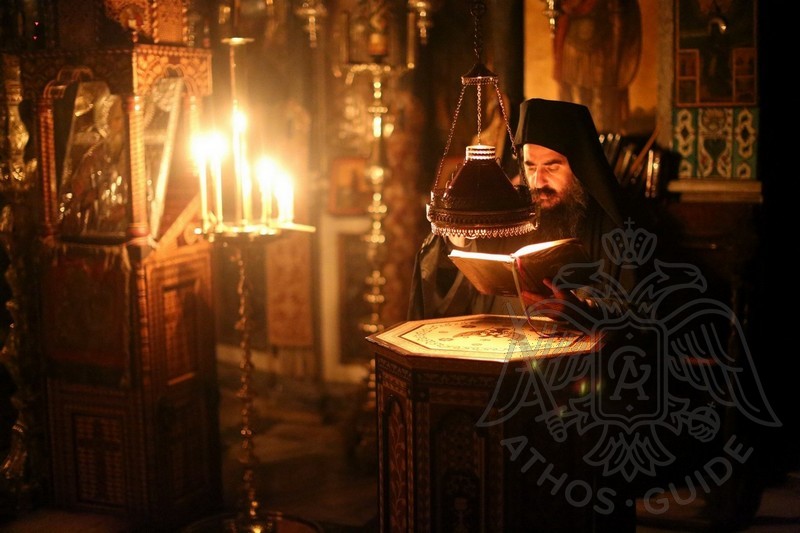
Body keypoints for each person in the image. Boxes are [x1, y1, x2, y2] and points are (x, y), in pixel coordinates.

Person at [408, 97, 646, 323]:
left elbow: (638, 316)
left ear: (580, 167)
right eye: (530, 166)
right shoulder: (514, 215)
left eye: (552, 167)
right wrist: (459, 236)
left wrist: (582, 312)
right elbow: (459, 283)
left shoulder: (617, 229)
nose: (538, 181)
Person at [59, 93, 129, 237]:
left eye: (125, 119)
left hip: (127, 224)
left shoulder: (135, 155)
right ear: (107, 121)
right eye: (117, 119)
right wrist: (92, 196)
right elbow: (77, 192)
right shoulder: (93, 156)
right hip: (97, 227)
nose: (121, 125)